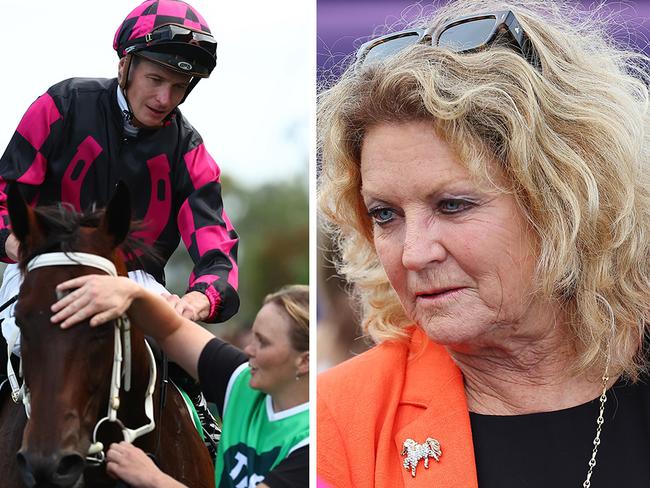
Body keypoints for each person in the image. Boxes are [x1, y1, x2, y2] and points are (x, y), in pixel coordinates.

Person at [317, 1, 650, 487]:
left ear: (563, 202)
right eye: (385, 215)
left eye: (452, 205)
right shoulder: (342, 421)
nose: (414, 253)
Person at [0, 0, 238, 455]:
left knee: (186, 364)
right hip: (42, 262)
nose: (164, 98)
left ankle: (214, 443)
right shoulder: (61, 104)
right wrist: (17, 240)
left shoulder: (189, 150)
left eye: (179, 85)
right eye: (155, 79)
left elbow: (217, 252)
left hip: (133, 277)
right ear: (125, 64)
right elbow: (4, 193)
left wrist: (197, 300)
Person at [49, 281, 310, 488]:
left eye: (263, 343)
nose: (248, 350)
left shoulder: (312, 443)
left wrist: (153, 479)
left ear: (304, 361)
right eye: (252, 337)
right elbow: (170, 330)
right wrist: (130, 291)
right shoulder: (242, 377)